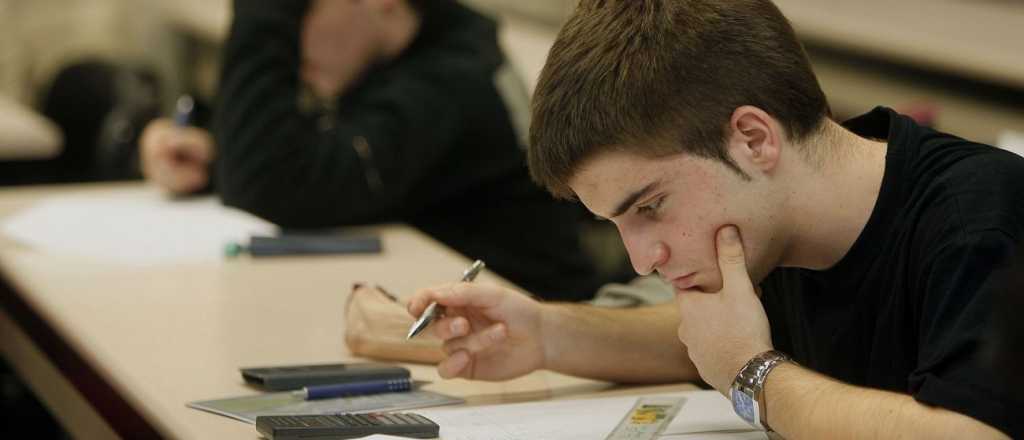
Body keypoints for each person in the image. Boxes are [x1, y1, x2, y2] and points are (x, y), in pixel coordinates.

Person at [407, 1, 1023, 438]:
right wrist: (548, 336)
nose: (642, 258)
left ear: (754, 139)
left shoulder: (982, 218)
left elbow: (970, 431)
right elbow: (716, 339)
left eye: (649, 207)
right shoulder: (784, 220)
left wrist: (752, 375)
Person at [138, 0, 605, 300]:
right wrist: (210, 160)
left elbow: (273, 184)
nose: (285, 36)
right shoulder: (411, 54)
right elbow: (300, 166)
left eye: (295, 10)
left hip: (542, 357)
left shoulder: (454, 82)